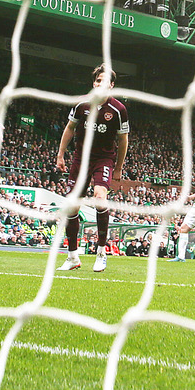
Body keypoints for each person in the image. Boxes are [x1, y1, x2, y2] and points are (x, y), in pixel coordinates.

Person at [54, 64, 130, 274]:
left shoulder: (119, 110)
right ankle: (72, 257)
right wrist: (60, 155)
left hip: (103, 159)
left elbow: (123, 140)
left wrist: (118, 168)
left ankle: (101, 253)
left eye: (104, 81)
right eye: (98, 80)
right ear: (94, 83)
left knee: (99, 197)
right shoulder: (82, 104)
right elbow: (70, 128)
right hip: (81, 159)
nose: (100, 84)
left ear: (111, 85)